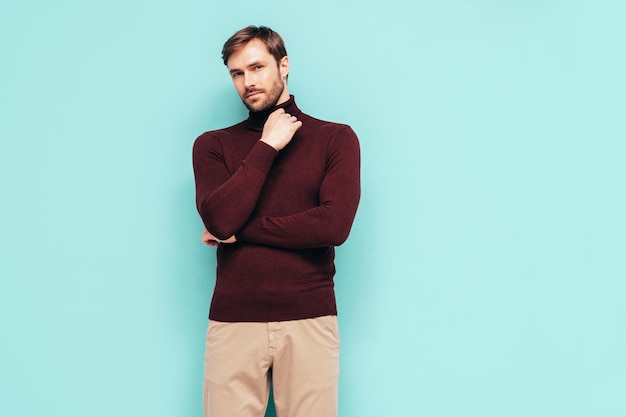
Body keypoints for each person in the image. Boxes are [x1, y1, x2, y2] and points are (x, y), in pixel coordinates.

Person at [192, 25, 360, 417]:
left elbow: (334, 226)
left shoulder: (336, 139)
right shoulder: (213, 145)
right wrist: (267, 145)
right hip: (233, 321)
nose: (248, 82)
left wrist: (237, 229)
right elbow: (219, 218)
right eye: (237, 73)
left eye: (257, 67)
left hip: (310, 318)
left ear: (283, 65)